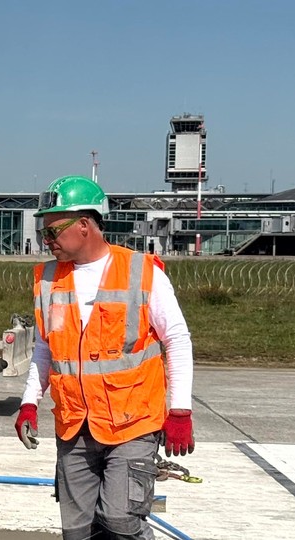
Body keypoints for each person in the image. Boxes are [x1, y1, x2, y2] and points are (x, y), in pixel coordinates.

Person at [16, 176, 194, 540]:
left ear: (85, 225)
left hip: (132, 422)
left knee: (121, 520)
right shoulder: (48, 279)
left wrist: (179, 411)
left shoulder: (141, 272)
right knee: (78, 531)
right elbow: (45, 347)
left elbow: (176, 339)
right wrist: (29, 403)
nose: (46, 241)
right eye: (43, 232)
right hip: (74, 424)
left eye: (53, 232)